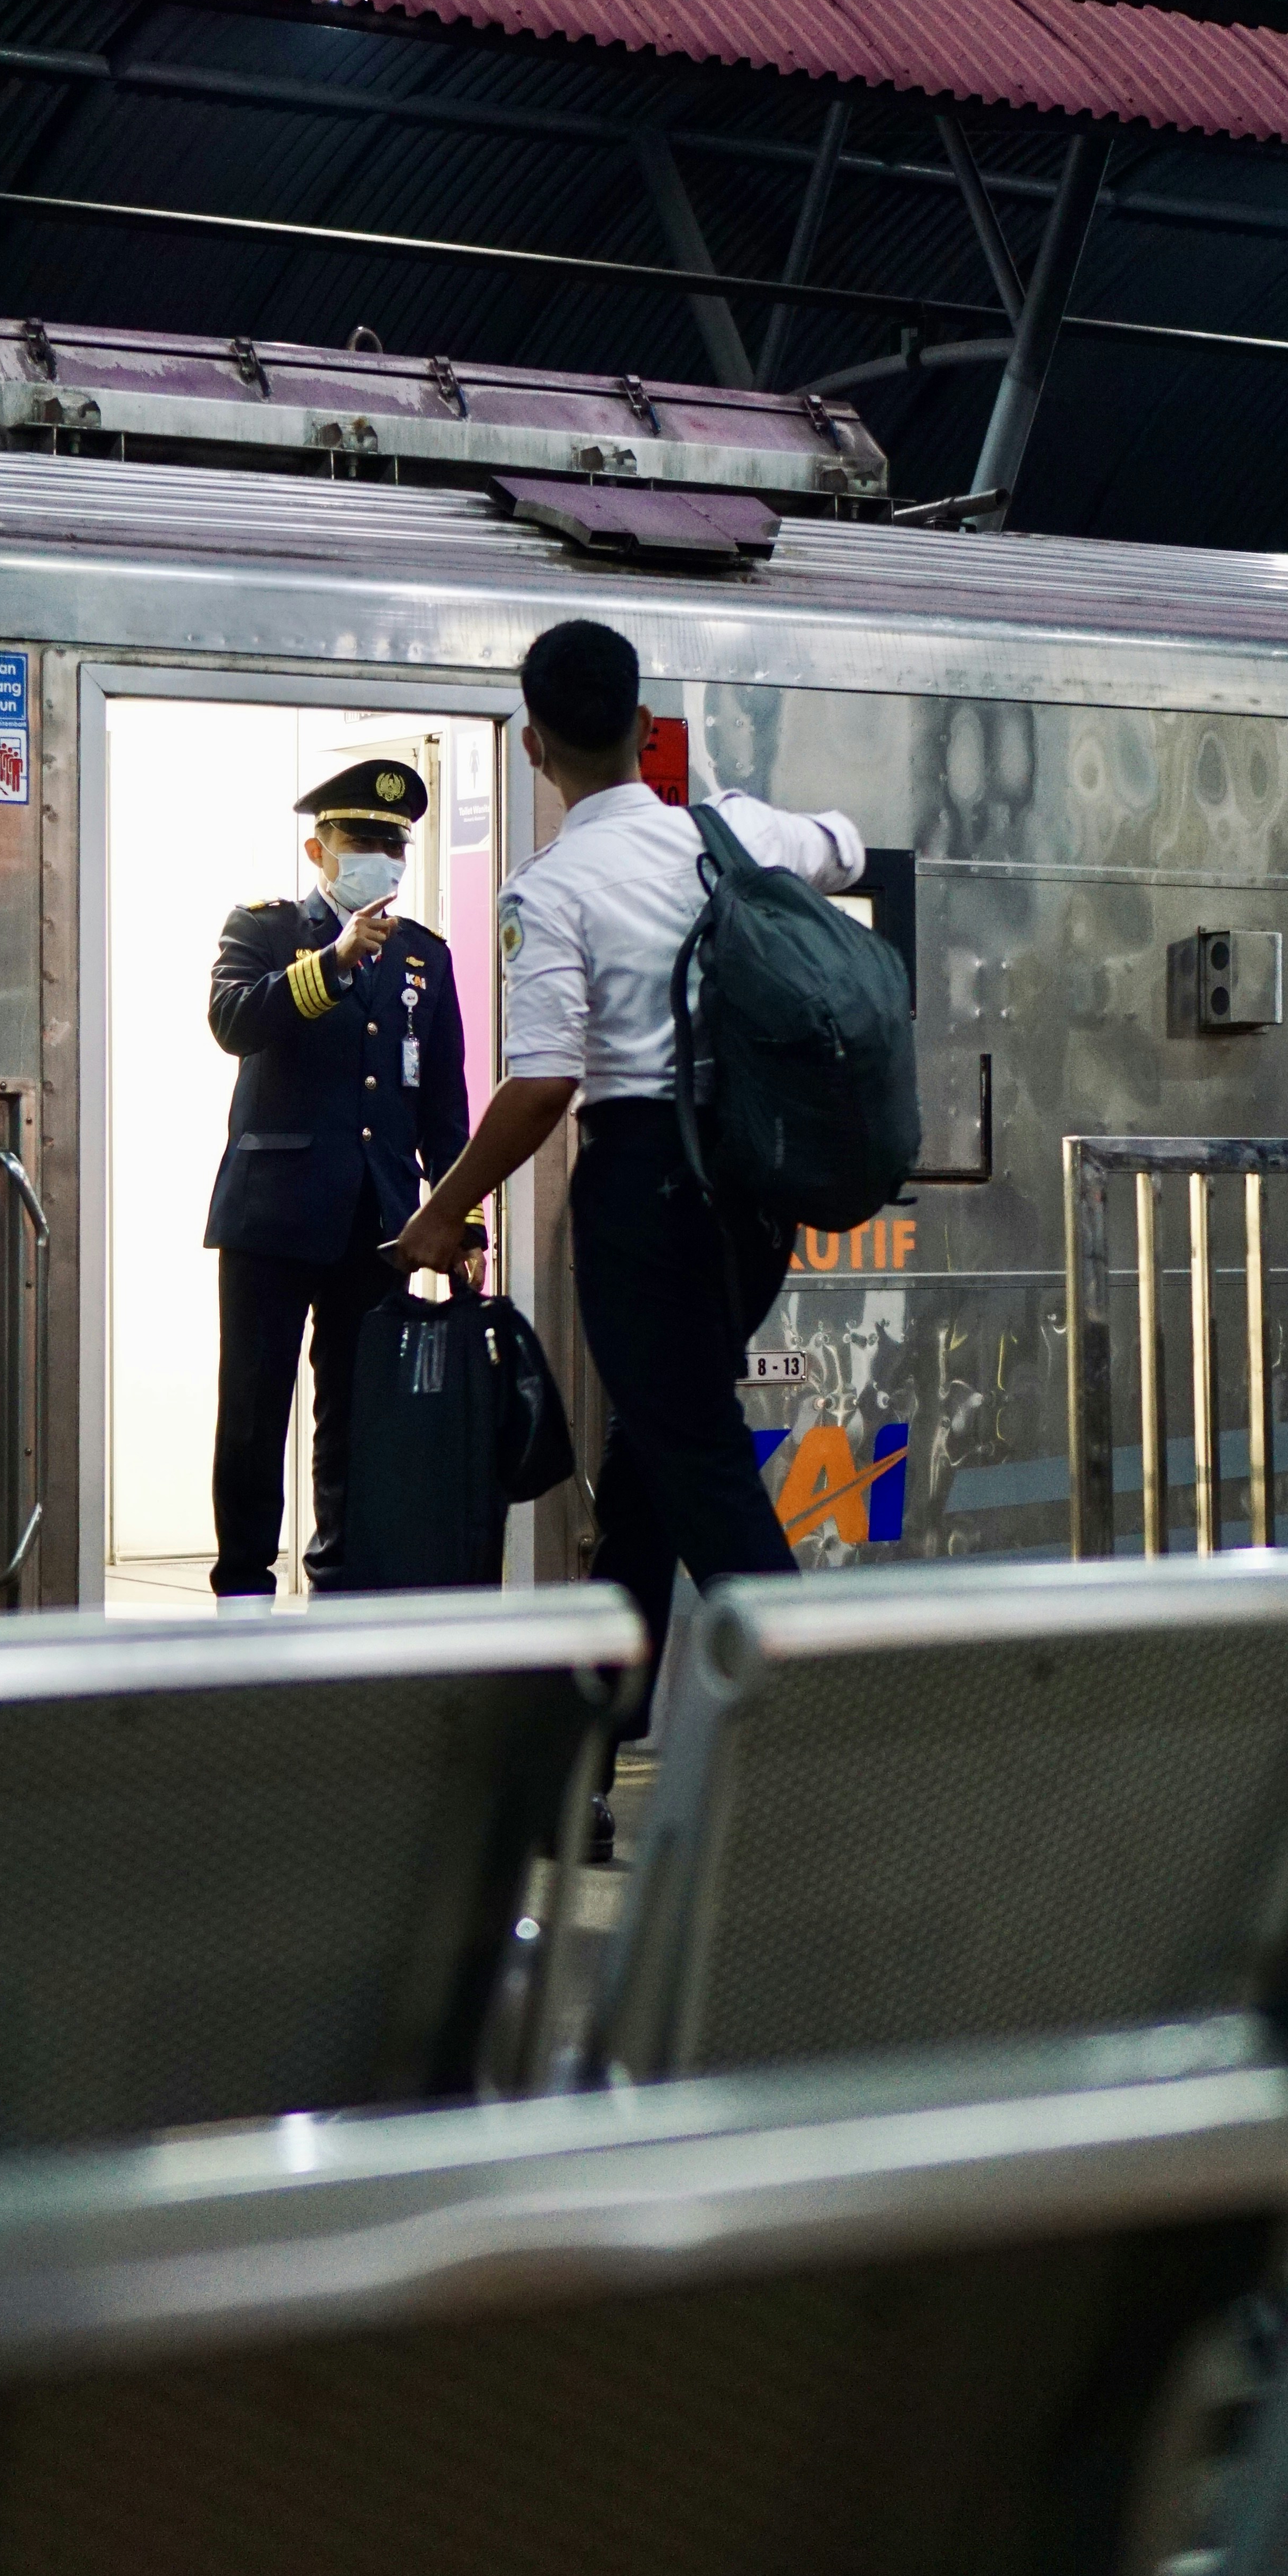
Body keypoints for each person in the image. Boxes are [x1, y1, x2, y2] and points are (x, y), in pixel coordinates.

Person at [394, 619, 864, 1840]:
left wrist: (436, 1214)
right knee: (650, 1483)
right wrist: (729, 813)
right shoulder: (730, 833)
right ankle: (578, 1769)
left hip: (645, 1198)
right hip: (750, 1201)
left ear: (536, 742)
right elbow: (845, 846)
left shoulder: (549, 889)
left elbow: (544, 1083)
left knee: (693, 1465)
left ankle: (833, 1746)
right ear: (641, 723)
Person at [205, 757, 486, 1599]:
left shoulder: (422, 957)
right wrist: (329, 962)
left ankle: (344, 1581)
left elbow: (442, 1103)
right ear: (317, 848)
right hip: (273, 1215)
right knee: (255, 1409)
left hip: (379, 1221)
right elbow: (231, 1020)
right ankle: (244, 1585)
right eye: (362, 839)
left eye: (393, 842)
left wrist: (457, 1217)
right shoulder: (263, 928)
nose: (381, 856)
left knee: (359, 1415)